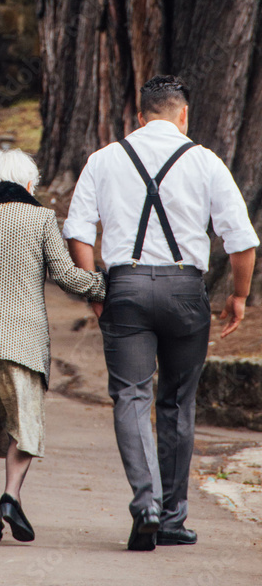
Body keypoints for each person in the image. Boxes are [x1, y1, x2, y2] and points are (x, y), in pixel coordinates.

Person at [63, 75, 258, 551]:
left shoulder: (105, 159)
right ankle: (172, 518)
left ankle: (145, 502)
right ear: (183, 114)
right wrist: (238, 296)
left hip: (125, 286)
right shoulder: (206, 162)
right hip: (185, 292)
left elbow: (78, 232)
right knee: (176, 402)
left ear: (140, 112)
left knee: (131, 396)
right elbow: (241, 240)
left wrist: (95, 291)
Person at [0, 148, 106, 544]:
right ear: (30, 184)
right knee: (24, 424)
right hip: (21, 340)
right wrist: (101, 286)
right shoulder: (41, 218)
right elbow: (65, 275)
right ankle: (12, 496)